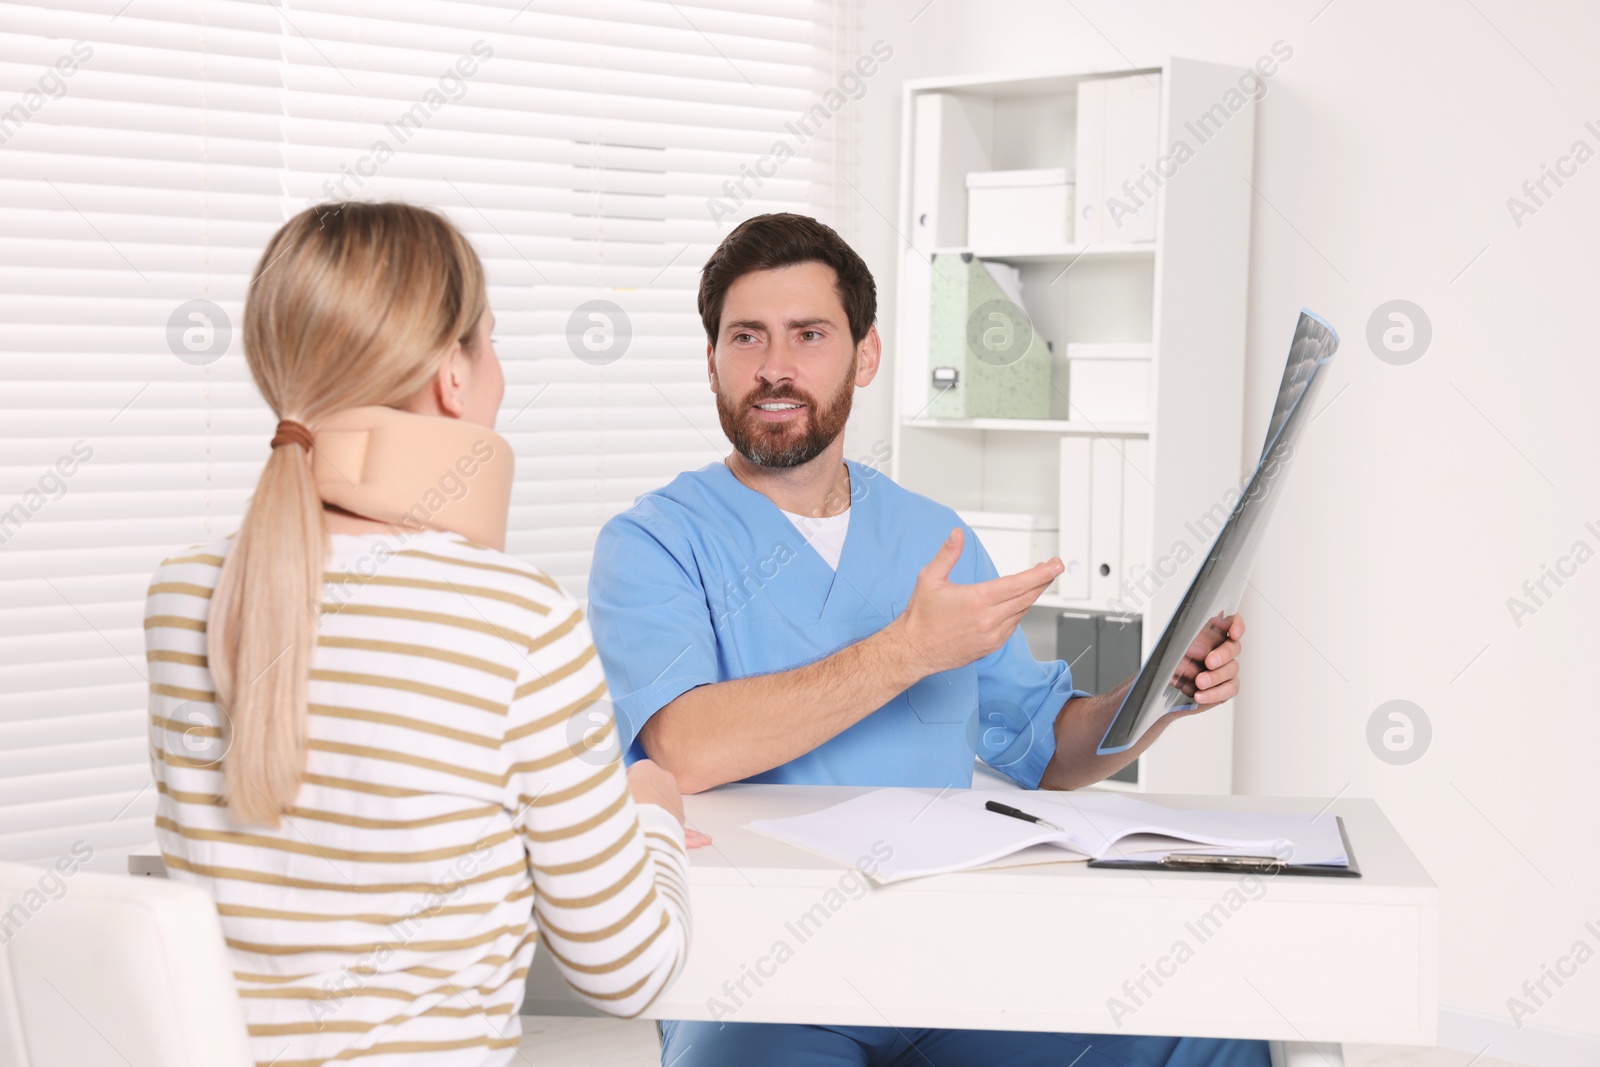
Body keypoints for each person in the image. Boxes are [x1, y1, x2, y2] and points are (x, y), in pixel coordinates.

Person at [587, 212, 1259, 1067]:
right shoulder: (651, 544)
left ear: (865, 356)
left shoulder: (931, 535)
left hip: (951, 953)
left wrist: (1157, 696)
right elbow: (682, 746)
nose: (774, 367)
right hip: (761, 977)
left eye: (809, 335)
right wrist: (905, 651)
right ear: (712, 358)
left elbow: (1047, 748)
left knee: (1214, 1031)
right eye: (745, 337)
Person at [146, 202, 696, 1067]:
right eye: (492, 344)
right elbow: (627, 974)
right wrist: (653, 817)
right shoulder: (519, 619)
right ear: (451, 374)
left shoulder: (184, 594)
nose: (499, 377)